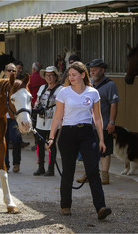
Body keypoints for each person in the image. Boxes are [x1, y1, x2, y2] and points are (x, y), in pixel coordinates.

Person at [47, 61, 112, 220]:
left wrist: (101, 139)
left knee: (92, 170)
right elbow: (57, 117)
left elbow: (97, 118)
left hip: (87, 133)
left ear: (83, 75)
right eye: (69, 75)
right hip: (68, 132)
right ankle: (65, 205)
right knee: (68, 171)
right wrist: (51, 137)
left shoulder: (92, 92)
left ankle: (100, 207)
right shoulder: (64, 92)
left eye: (74, 75)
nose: (71, 77)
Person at [77, 59, 120, 185]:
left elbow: (114, 104)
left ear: (102, 70)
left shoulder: (110, 85)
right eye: (91, 69)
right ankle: (89, 173)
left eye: (95, 69)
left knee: (104, 150)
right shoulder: (88, 84)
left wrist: (111, 122)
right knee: (87, 149)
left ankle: (105, 175)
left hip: (104, 123)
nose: (92, 72)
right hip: (88, 123)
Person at [33, 66, 62, 176]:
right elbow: (37, 100)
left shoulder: (61, 89)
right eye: (47, 75)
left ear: (56, 76)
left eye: (51, 75)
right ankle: (40, 167)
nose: (49, 77)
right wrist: (36, 107)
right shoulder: (42, 88)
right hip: (41, 121)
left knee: (51, 145)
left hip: (53, 122)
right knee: (39, 144)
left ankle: (51, 168)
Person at [3, 63, 23, 172]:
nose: (11, 72)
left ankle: (16, 162)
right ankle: (5, 164)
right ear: (5, 72)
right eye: (9, 70)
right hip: (3, 117)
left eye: (14, 70)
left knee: (16, 140)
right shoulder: (0, 85)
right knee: (4, 141)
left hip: (15, 117)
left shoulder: (19, 85)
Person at [28, 62, 47, 151]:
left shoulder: (30, 78)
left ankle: (37, 143)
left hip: (33, 105)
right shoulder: (44, 79)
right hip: (44, 106)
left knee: (35, 126)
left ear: (33, 69)